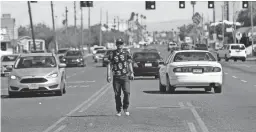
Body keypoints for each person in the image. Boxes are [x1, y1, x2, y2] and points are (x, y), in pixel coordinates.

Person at [106, 38, 134, 117]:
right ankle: (118, 110)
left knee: (127, 92)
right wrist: (108, 75)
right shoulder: (112, 54)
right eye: (118, 43)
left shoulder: (126, 53)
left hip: (125, 76)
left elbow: (129, 63)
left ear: (123, 44)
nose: (119, 45)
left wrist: (132, 73)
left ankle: (125, 108)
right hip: (116, 78)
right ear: (116, 44)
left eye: (121, 44)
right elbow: (109, 65)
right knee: (117, 94)